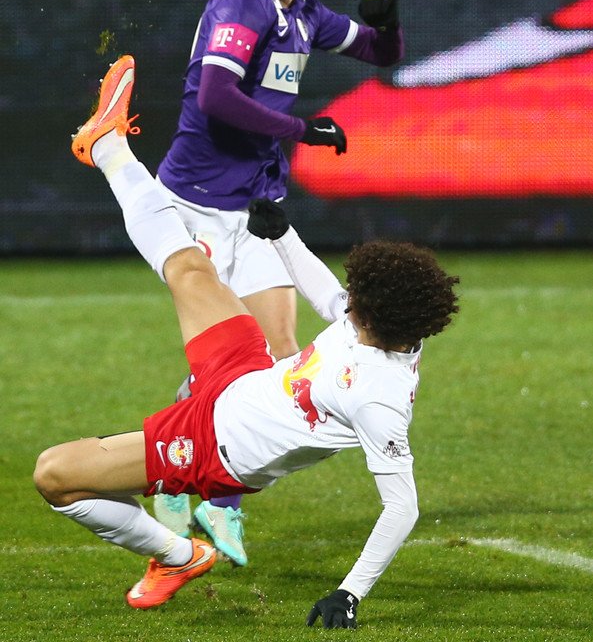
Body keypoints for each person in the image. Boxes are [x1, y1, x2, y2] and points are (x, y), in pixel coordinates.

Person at [41, 56, 459, 626]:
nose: (349, 299)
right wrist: (283, 235)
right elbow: (326, 294)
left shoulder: (378, 396)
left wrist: (350, 592)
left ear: (375, 316)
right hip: (245, 374)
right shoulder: (383, 324)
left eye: (357, 297)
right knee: (191, 267)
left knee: (55, 476)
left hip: (216, 445)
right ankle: (109, 146)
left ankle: (177, 556)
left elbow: (402, 508)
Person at [146, 0, 406, 558]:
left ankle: (218, 500)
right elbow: (215, 95)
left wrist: (383, 5)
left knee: (282, 355)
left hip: (252, 207)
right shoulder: (243, 4)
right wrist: (301, 129)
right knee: (227, 360)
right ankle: (176, 477)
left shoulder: (304, 12)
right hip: (197, 205)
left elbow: (381, 53)